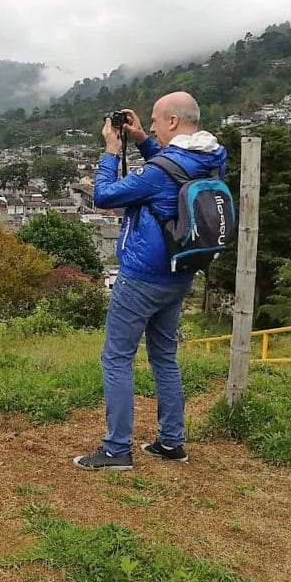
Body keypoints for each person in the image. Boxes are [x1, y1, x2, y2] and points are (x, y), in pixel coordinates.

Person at [73, 91, 227, 471]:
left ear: (173, 122)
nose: (153, 126)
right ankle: (171, 443)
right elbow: (169, 174)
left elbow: (106, 196)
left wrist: (111, 150)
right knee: (164, 357)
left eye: (156, 121)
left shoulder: (162, 170)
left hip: (142, 277)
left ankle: (116, 449)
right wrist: (142, 140)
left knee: (116, 359)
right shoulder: (210, 158)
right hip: (180, 273)